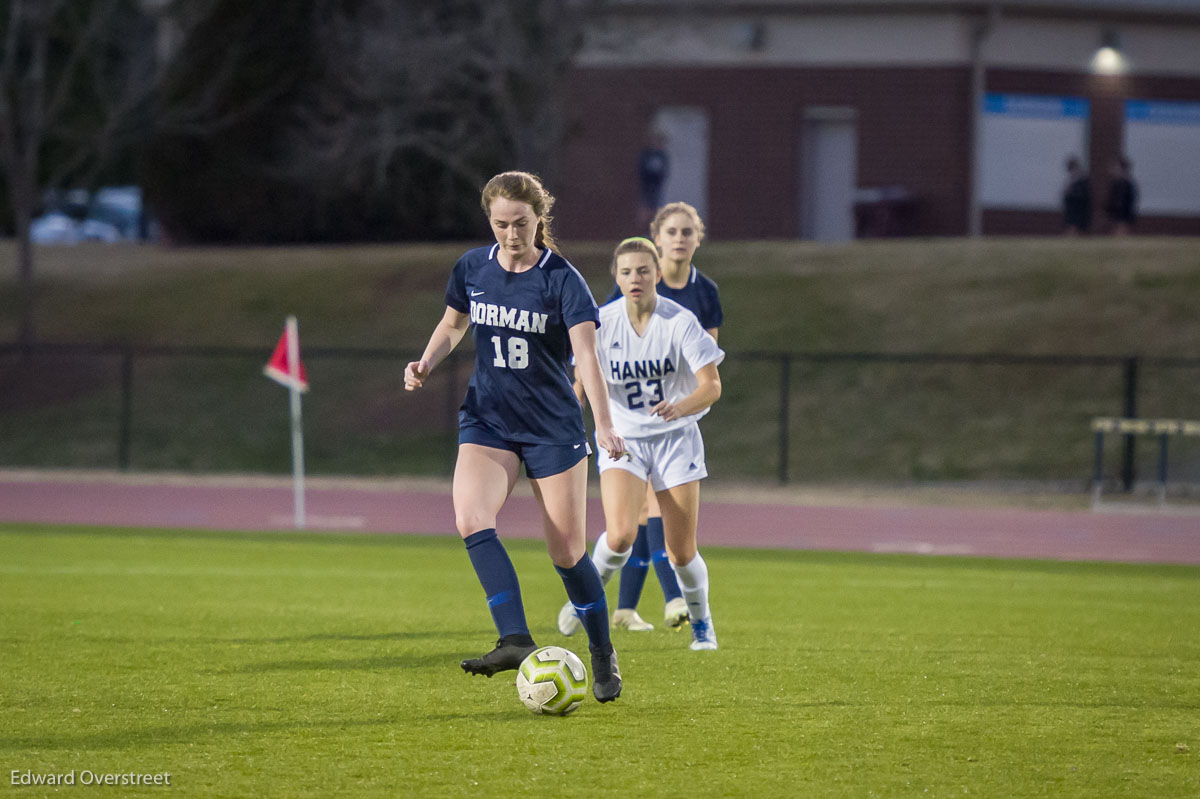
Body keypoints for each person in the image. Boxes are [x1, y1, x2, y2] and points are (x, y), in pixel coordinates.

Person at [404, 171, 626, 703]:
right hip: (489, 420)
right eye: (500, 224)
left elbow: (588, 358)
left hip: (552, 427)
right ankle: (514, 638)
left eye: (520, 223)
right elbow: (454, 322)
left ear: (538, 219)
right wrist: (427, 360)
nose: (510, 234)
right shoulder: (471, 267)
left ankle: (601, 651)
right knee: (470, 517)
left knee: (569, 553)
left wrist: (604, 421)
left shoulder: (562, 279)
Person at [557, 236, 725, 650]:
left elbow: (713, 386)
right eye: (627, 271)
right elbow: (580, 384)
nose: (636, 278)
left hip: (675, 439)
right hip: (624, 438)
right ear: (616, 276)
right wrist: (566, 422)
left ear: (657, 275)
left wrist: (681, 407)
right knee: (619, 536)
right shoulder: (600, 322)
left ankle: (702, 623)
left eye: (644, 271)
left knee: (682, 552)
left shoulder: (680, 321)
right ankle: (583, 599)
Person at [636, 131, 669, 228]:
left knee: (656, 209)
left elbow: (664, 171)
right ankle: (642, 230)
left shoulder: (662, 155)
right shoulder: (646, 154)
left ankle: (653, 231)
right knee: (644, 209)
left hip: (657, 187)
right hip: (645, 186)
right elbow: (640, 170)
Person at [1104, 156, 1138, 235]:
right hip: (1116, 213)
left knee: (1122, 230)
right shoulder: (1116, 183)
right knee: (1117, 230)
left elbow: (1128, 200)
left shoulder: (1126, 183)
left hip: (1122, 213)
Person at [1062, 156, 1091, 236]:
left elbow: (1082, 194)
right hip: (1071, 206)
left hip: (1077, 207)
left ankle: (1073, 234)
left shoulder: (1080, 179)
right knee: (1071, 223)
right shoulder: (1072, 179)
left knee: (1075, 224)